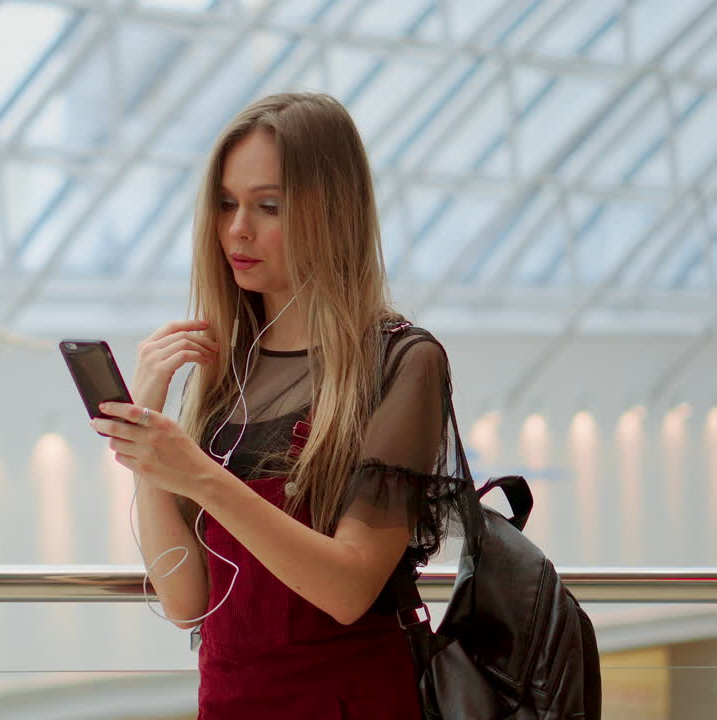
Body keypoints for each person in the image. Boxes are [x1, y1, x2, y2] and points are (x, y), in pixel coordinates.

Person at [89, 92, 472, 718]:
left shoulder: (403, 362)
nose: (238, 228)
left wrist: (197, 474)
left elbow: (348, 588)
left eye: (268, 206)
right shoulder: (223, 370)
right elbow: (187, 601)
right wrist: (149, 447)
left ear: (335, 212)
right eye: (226, 204)